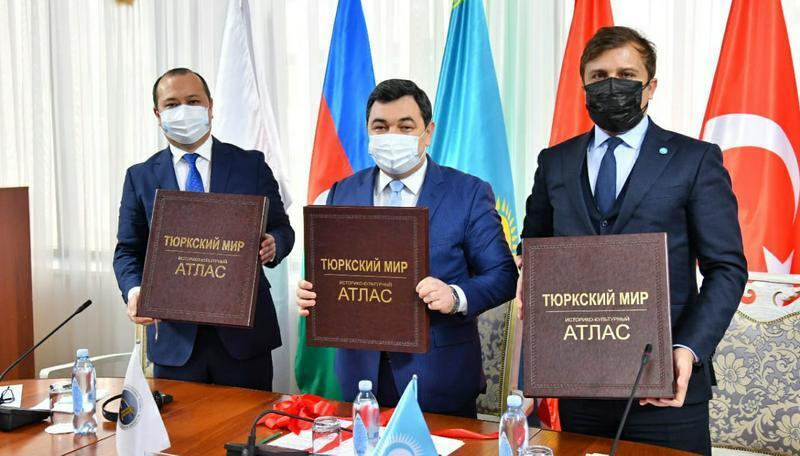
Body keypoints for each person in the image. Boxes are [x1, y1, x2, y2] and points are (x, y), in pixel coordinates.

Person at [518, 27, 747, 455]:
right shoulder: (554, 162)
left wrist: (688, 348)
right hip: (580, 382)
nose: (611, 86)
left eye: (625, 75)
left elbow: (727, 269)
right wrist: (524, 269)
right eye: (598, 76)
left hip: (667, 385)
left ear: (650, 86)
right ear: (583, 85)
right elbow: (534, 247)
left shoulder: (694, 159)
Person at [296, 79, 518, 418]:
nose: (392, 136)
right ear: (368, 132)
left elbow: (503, 274)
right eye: (380, 127)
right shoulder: (339, 194)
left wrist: (455, 296)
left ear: (428, 133)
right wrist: (314, 295)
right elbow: (335, 275)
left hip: (441, 378)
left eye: (405, 126)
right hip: (361, 379)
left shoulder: (468, 193)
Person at [113, 68, 294, 391]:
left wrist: (274, 244)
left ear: (210, 106)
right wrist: (136, 290)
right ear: (157, 114)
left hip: (244, 335)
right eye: (172, 104)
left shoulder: (250, 164)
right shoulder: (140, 177)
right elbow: (128, 250)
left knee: (247, 423)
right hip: (175, 338)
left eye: (193, 101)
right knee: (180, 424)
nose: (183, 111)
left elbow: (283, 229)